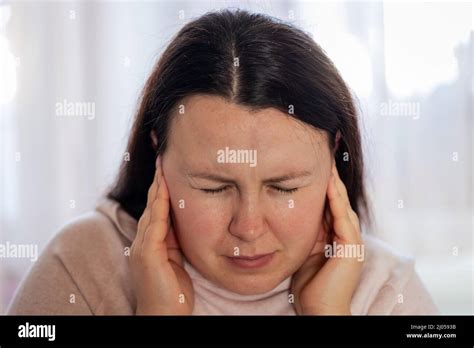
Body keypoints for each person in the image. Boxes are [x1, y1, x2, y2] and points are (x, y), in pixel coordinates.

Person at [7, 9, 437, 315]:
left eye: (284, 187)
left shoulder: (386, 291)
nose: (248, 227)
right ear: (158, 155)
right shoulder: (84, 263)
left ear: (333, 160)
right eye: (213, 187)